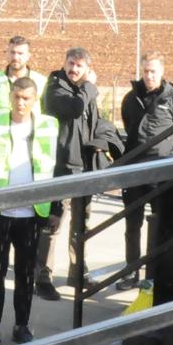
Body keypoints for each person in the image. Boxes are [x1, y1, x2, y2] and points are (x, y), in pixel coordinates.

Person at [0, 76, 57, 345]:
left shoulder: (47, 127)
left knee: (25, 275)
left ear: (35, 100)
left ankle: (21, 326)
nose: (20, 103)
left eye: (26, 98)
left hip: (31, 215)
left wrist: (55, 208)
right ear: (10, 96)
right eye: (16, 97)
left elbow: (57, 168)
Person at [40, 48, 117, 298]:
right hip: (60, 167)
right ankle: (42, 276)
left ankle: (77, 272)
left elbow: (95, 121)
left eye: (79, 66)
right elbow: (74, 108)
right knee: (53, 224)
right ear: (64, 63)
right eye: (71, 63)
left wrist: (103, 143)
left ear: (87, 68)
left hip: (83, 168)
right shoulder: (55, 87)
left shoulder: (85, 93)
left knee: (81, 224)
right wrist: (90, 86)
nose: (74, 69)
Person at [118, 52, 173, 289]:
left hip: (160, 175)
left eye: (153, 71)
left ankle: (154, 275)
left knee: (160, 225)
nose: (149, 76)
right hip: (133, 173)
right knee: (132, 225)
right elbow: (129, 126)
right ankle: (131, 273)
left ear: (161, 71)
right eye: (145, 71)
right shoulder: (131, 98)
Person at [0, 36, 49, 274]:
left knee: (25, 267)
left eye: (21, 53)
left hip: (29, 151)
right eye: (12, 52)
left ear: (28, 56)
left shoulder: (41, 82)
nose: (16, 57)